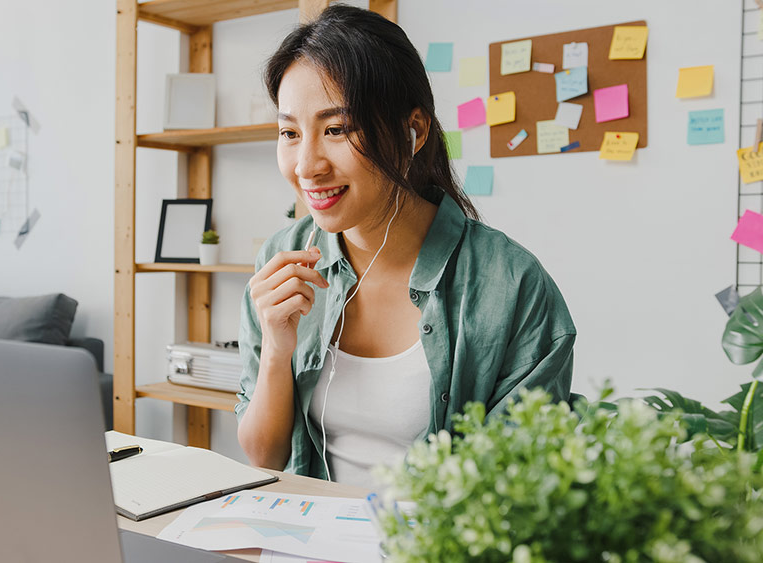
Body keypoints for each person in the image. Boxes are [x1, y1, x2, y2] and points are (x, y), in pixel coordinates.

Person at [235, 5, 576, 488]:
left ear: (412, 130)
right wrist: (275, 348)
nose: (306, 164)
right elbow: (262, 458)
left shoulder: (512, 283)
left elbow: (521, 488)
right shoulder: (280, 260)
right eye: (289, 133)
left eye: (336, 129)